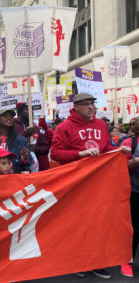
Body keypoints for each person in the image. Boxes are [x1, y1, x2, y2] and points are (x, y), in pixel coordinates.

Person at [50, 93, 116, 279]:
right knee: (77, 224)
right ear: (75, 107)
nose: (90, 107)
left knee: (98, 222)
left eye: (92, 104)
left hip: (98, 181)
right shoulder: (65, 127)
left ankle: (97, 261)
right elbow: (55, 153)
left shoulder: (101, 125)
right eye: (86, 104)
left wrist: (120, 150)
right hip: (75, 182)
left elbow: (106, 149)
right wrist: (81, 154)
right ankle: (77, 261)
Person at [120, 118, 139, 278]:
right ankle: (127, 260)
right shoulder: (128, 142)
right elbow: (119, 166)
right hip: (134, 191)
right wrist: (135, 161)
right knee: (134, 228)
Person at [14, 103, 52, 171]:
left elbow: (46, 148)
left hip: (38, 169)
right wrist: (24, 134)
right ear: (19, 113)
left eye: (32, 110)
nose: (31, 112)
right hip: (18, 168)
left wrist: (37, 149)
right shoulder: (13, 127)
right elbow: (10, 142)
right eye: (27, 110)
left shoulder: (38, 129)